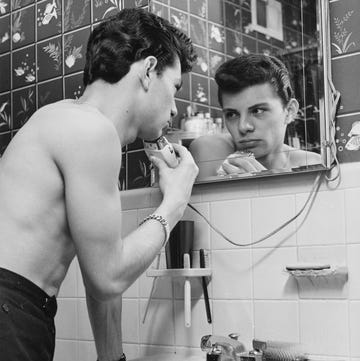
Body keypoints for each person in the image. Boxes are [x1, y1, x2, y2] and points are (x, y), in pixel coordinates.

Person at [0, 8, 198, 361]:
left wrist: (113, 358)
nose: (174, 109)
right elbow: (108, 277)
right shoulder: (92, 132)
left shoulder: (68, 121)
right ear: (149, 70)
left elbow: (100, 269)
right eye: (176, 87)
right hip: (10, 310)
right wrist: (174, 202)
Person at [189, 54, 321, 180]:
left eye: (257, 111)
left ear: (290, 111)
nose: (243, 126)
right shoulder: (209, 150)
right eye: (232, 114)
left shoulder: (312, 163)